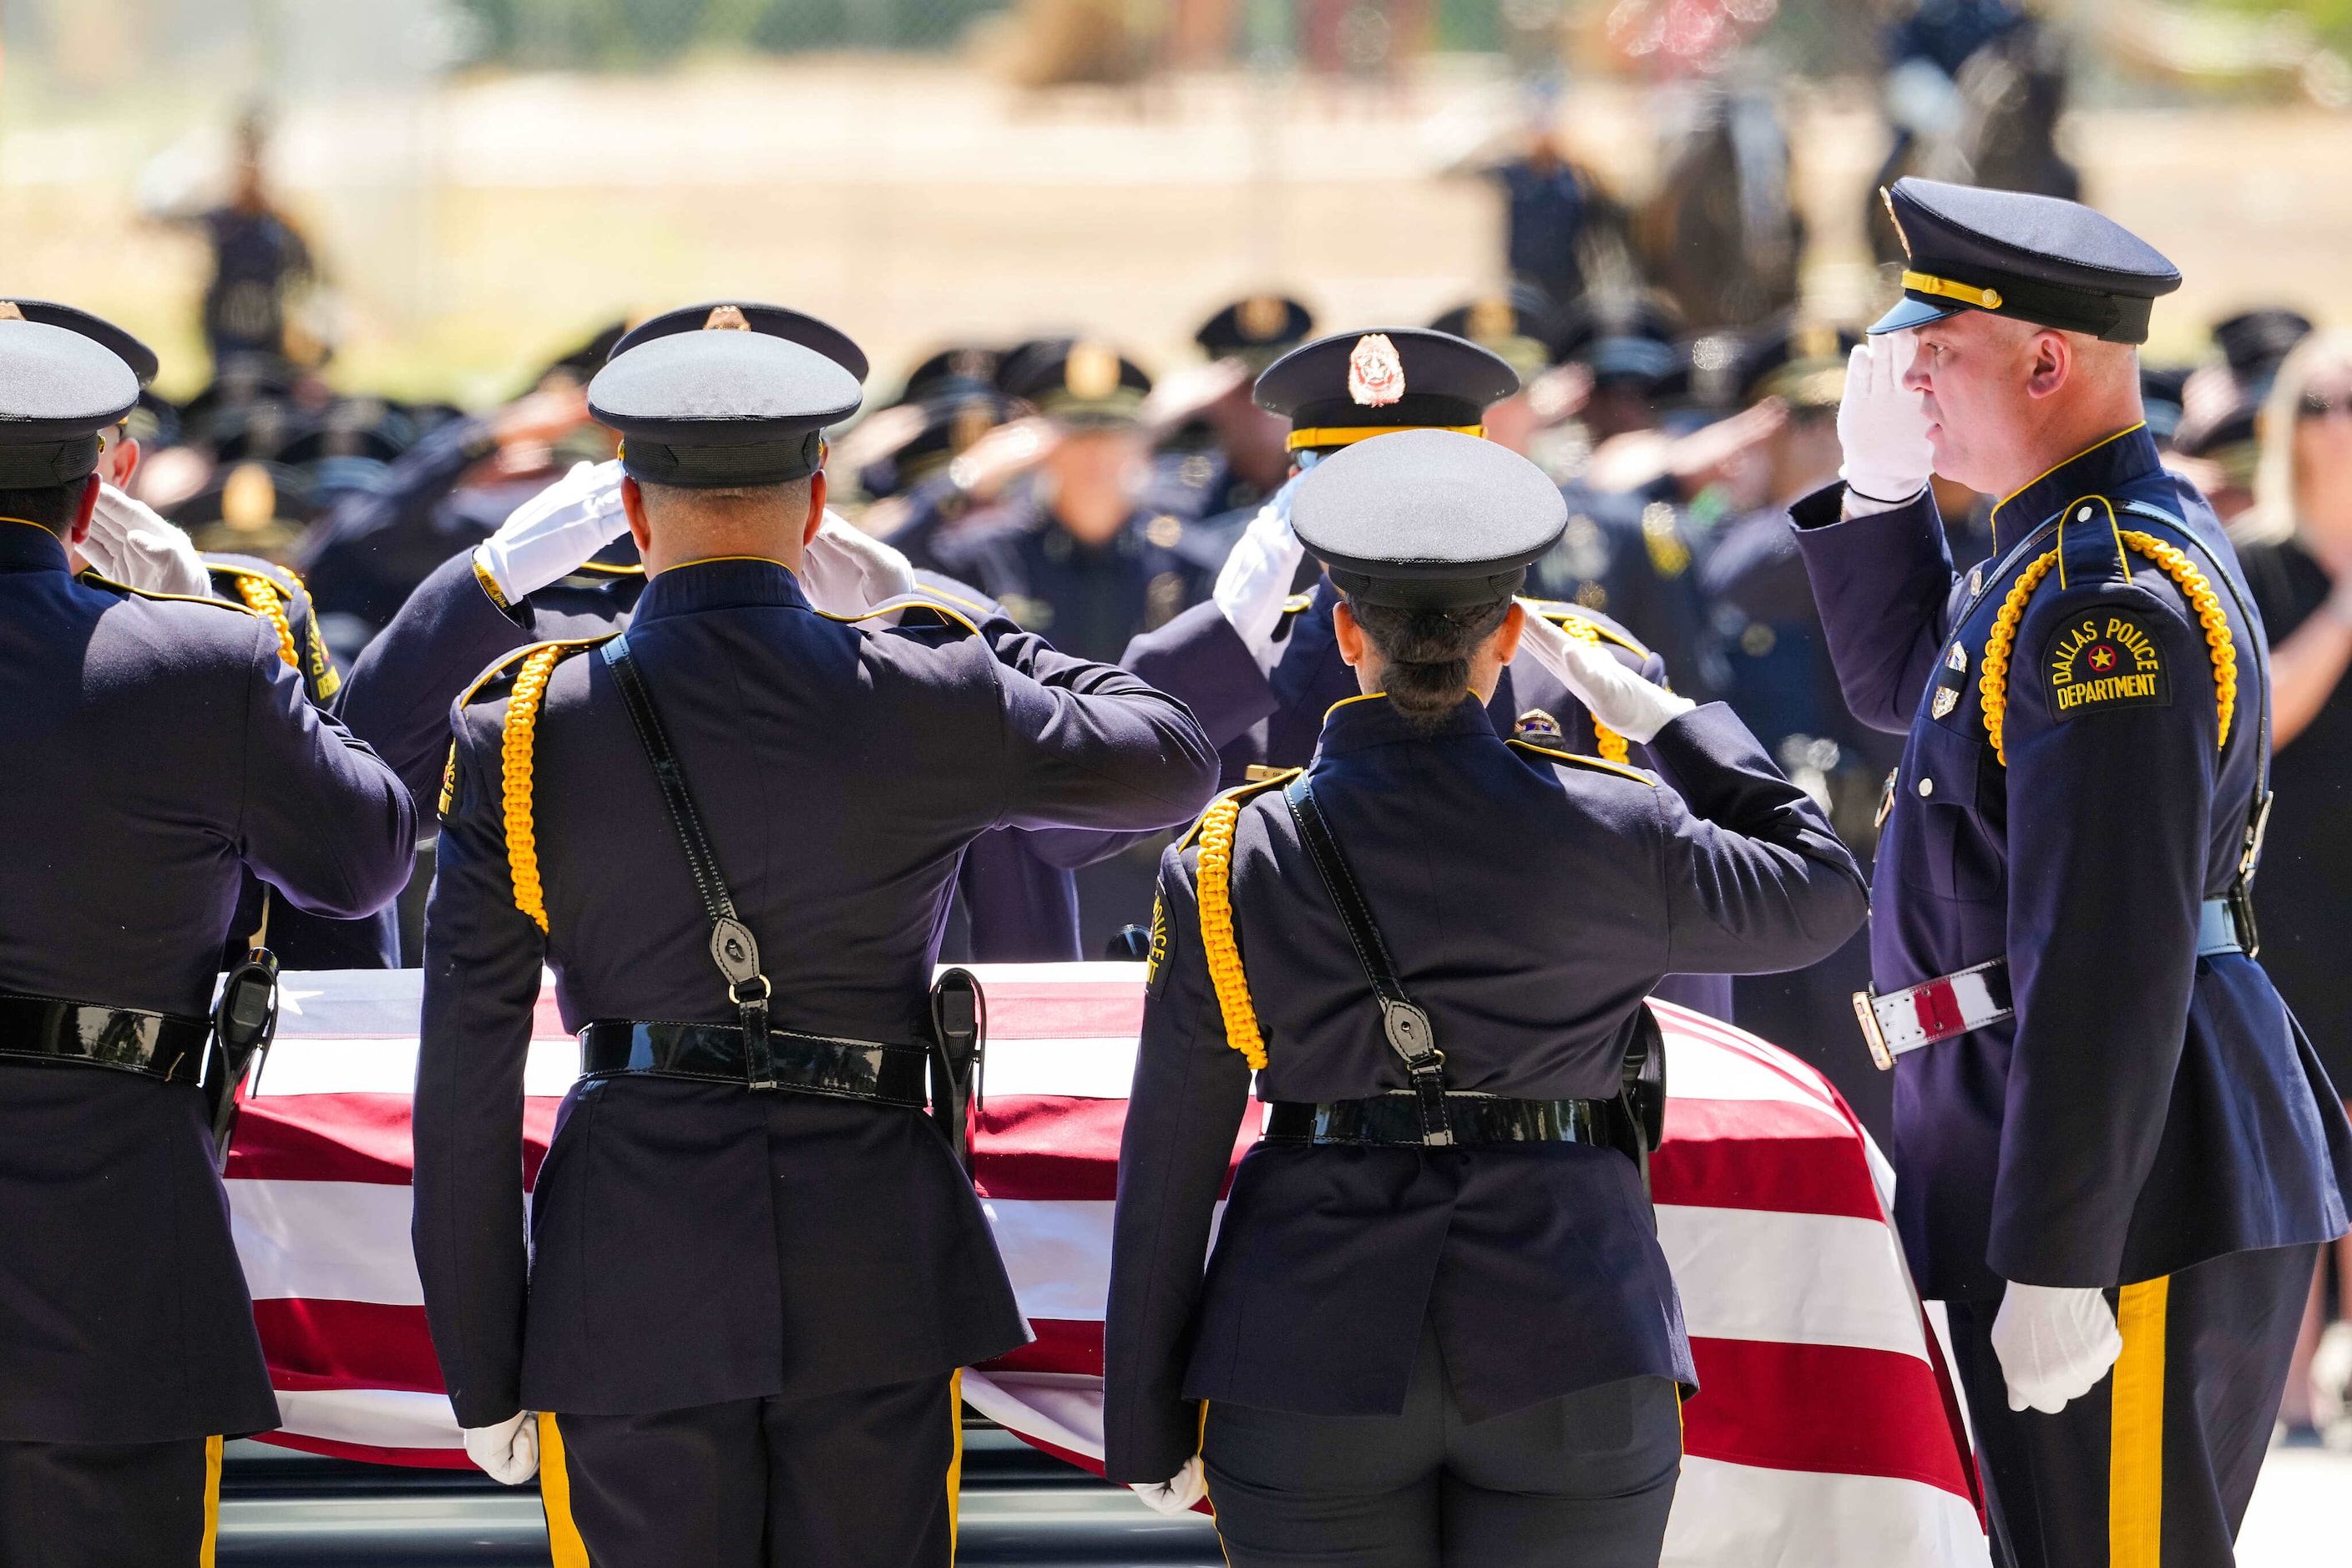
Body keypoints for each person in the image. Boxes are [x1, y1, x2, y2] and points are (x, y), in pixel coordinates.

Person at [411, 320, 1220, 1564]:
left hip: (630, 1266)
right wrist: (945, 609)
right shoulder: (927, 685)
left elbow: (460, 1076)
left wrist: (480, 1360)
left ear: (630, 507)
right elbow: (1170, 752)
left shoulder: (527, 728)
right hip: (876, 1260)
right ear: (819, 506)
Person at [1103, 429, 1869, 1563]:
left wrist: (1145, 1421)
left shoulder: (1231, 854)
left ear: (1345, 629)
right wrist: (1672, 724)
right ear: (1510, 636)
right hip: (1571, 1337)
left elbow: (1169, 1152)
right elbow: (1820, 889)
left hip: (1305, 1350)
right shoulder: (1620, 822)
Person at [1793, 176, 2352, 1568]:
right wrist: (1874, 499)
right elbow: (1907, 699)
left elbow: (2104, 946)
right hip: (2051, 1142)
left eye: (1933, 357)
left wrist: (2058, 1244)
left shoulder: (2105, 598)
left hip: (2125, 1177)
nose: (1906, 387)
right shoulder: (2042, 552)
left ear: (2045, 363)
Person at [0, 308, 415, 1562]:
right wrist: (223, 637)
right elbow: (362, 860)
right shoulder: (201, 658)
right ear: (103, 485)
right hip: (111, 1243)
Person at [342, 302, 1113, 964]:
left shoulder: (906, 610)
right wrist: (490, 580)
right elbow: (357, 808)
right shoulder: (545, 619)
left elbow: (1037, 854)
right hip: (582, 1060)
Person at [2226, 327, 2352, 1438]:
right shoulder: (2255, 564)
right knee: (2302, 1134)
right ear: (2291, 425)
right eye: (2329, 401)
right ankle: (2291, 1389)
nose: (2347, 423)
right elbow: (2259, 716)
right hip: (2293, 884)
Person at [924, 338, 1224, 664]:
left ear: (1139, 440)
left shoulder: (1191, 563)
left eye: (1112, 431)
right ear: (1041, 443)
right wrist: (963, 479)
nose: (1095, 451)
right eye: (1076, 433)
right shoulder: (981, 555)